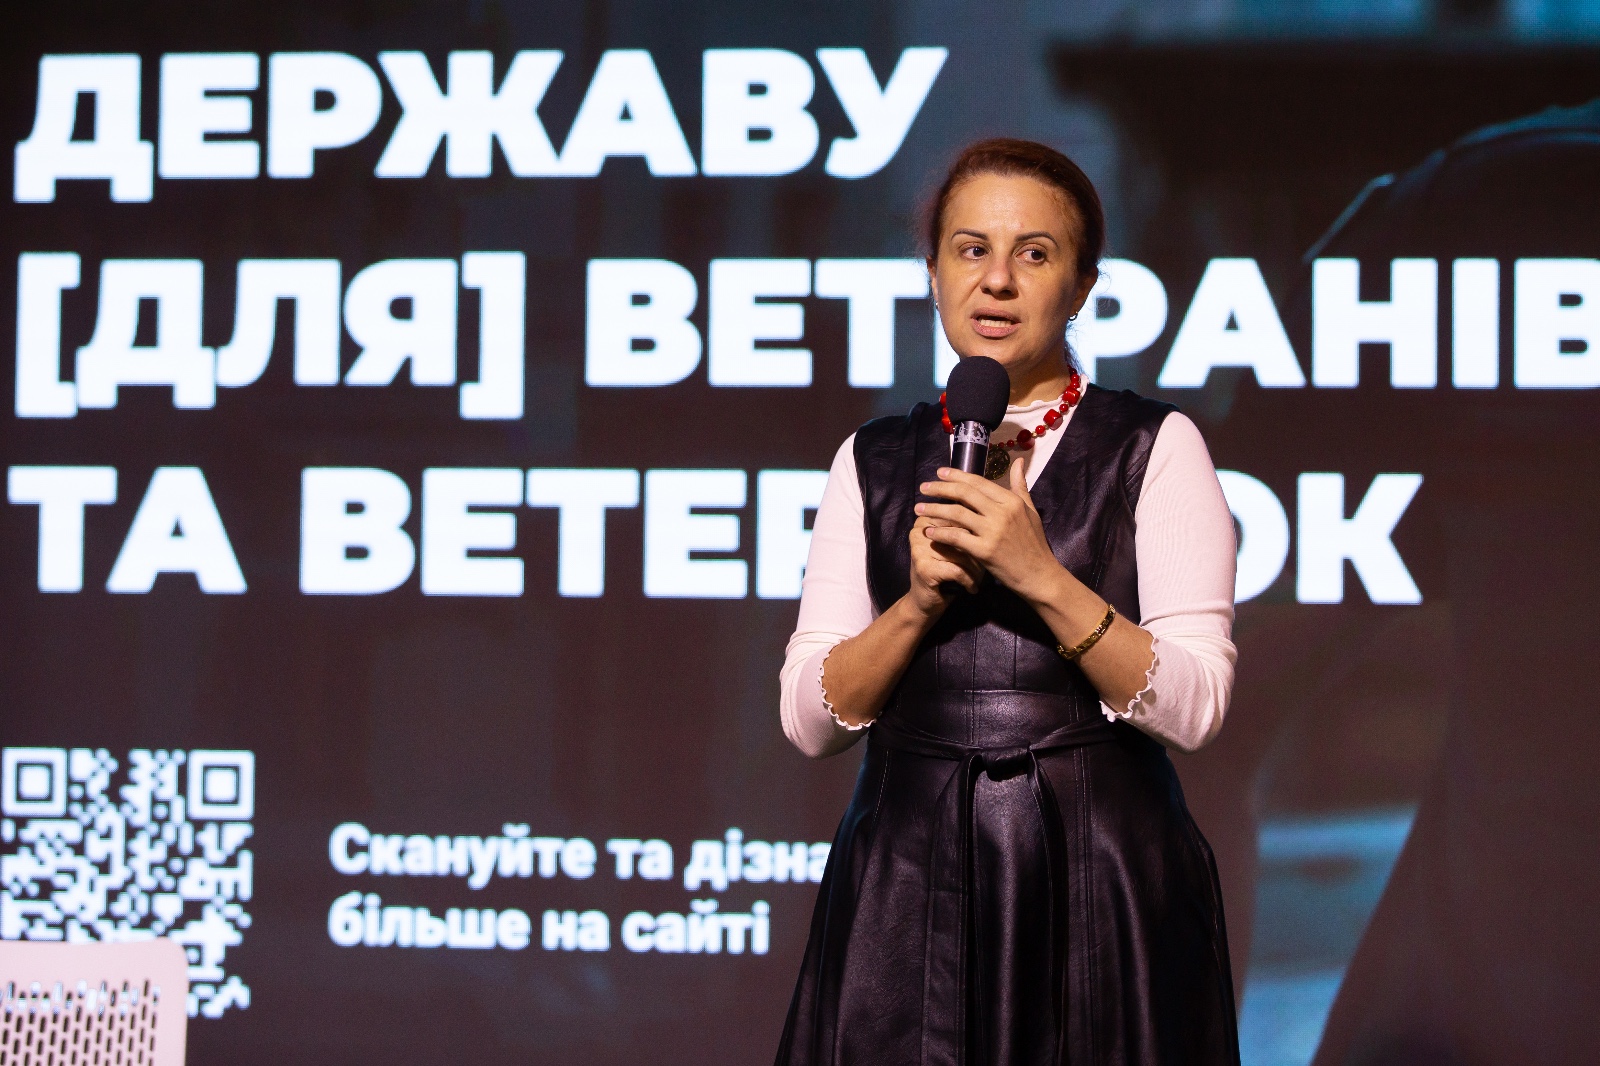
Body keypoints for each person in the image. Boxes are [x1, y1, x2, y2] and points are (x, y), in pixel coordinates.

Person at [774, 138, 1242, 1065]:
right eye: (970, 249)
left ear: (1082, 285)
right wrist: (915, 606)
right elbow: (807, 720)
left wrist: (1040, 576)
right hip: (907, 884)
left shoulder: (1154, 446)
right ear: (934, 275)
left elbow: (1197, 707)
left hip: (1098, 881)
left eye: (1034, 253)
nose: (996, 280)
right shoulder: (872, 459)